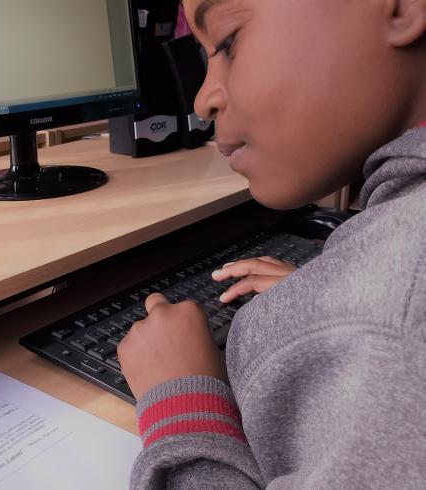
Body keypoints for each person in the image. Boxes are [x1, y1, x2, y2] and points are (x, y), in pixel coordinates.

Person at [117, 0, 426, 488]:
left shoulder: (393, 331)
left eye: (227, 42)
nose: (202, 100)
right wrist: (337, 292)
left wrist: (182, 408)